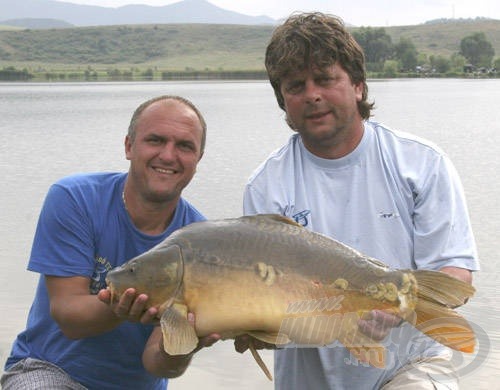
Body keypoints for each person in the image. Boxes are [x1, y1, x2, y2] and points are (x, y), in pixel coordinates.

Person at [237, 12, 480, 390]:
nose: (312, 94)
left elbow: (455, 272)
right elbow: (261, 295)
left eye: (326, 78)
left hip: (412, 365)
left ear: (358, 87)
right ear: (283, 102)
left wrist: (397, 309)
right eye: (296, 85)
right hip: (308, 378)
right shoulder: (266, 186)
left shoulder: (420, 163)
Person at [1, 95, 219, 389]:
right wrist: (119, 307)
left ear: (198, 159)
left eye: (184, 146)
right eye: (155, 140)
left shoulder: (201, 241)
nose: (168, 156)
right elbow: (69, 316)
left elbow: (156, 362)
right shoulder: (74, 198)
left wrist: (183, 345)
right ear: (129, 146)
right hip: (49, 370)